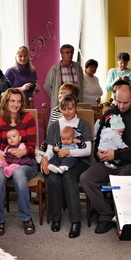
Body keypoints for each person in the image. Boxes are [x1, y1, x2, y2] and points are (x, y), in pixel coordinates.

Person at [80, 82, 131, 234]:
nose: (122, 106)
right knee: (86, 178)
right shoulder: (108, 114)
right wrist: (99, 153)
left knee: (121, 181)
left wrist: (117, 154)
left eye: (126, 102)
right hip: (107, 161)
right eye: (119, 102)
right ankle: (106, 214)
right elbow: (99, 138)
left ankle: (122, 215)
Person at [40, 94, 92, 238]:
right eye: (64, 109)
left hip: (79, 160)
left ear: (76, 107)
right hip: (58, 160)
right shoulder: (55, 125)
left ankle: (75, 221)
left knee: (68, 177)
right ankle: (56, 218)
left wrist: (69, 151)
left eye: (70, 108)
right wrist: (45, 158)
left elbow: (88, 150)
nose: (67, 112)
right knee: (54, 179)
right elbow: (50, 149)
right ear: (60, 109)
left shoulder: (82, 124)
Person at [0, 88, 39, 236]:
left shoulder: (28, 118)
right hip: (6, 161)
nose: (16, 104)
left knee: (18, 173)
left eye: (19, 101)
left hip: (27, 162)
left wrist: (23, 152)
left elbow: (32, 145)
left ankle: (27, 218)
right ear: (5, 102)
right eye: (12, 100)